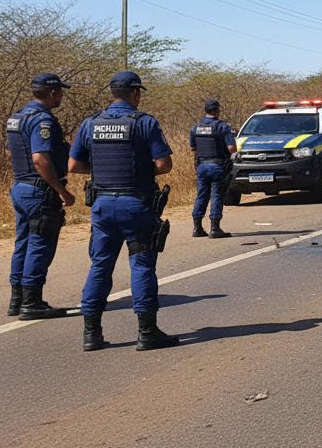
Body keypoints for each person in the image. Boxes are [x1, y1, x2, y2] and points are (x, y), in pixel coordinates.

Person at [68, 71, 179, 351]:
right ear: (136, 93)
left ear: (112, 93)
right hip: (135, 205)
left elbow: (73, 165)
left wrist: (103, 171)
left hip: (102, 206)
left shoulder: (90, 123)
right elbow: (164, 165)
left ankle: (91, 335)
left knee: (100, 266)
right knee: (141, 265)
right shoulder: (144, 122)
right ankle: (147, 332)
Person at [6, 73, 78, 320]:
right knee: (40, 243)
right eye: (60, 91)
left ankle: (17, 300)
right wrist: (62, 191)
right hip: (39, 190)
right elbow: (40, 158)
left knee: (23, 242)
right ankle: (32, 303)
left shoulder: (16, 117)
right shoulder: (42, 120)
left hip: (20, 187)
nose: (61, 95)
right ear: (52, 92)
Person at [189, 99, 237, 238]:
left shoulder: (195, 127)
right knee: (217, 194)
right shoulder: (222, 126)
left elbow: (193, 148)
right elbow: (231, 148)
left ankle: (197, 228)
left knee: (201, 195)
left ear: (206, 110)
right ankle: (215, 229)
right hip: (217, 166)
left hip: (202, 166)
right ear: (217, 111)